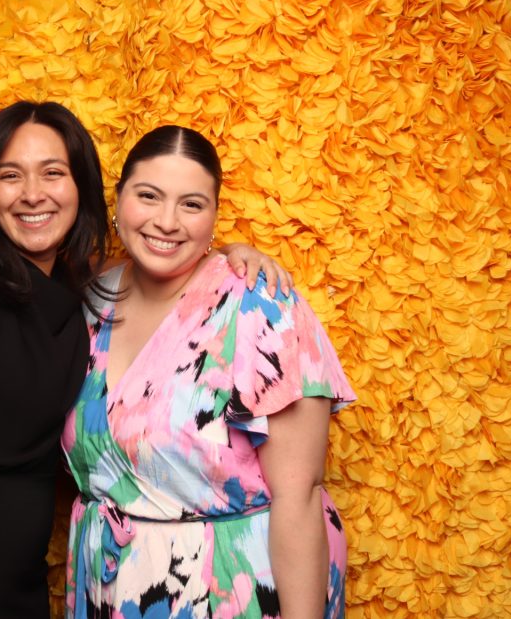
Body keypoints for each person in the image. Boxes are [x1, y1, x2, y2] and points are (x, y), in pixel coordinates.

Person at [0, 102, 292, 619]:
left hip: (17, 581)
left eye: (52, 173)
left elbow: (166, 255)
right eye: (11, 175)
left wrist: (232, 253)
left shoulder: (83, 288)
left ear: (81, 187)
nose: (33, 193)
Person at [62, 125, 357, 619]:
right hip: (109, 584)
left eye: (192, 205)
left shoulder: (262, 306)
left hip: (229, 590)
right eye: (148, 196)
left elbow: (299, 499)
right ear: (118, 201)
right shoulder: (91, 298)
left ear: (215, 216)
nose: (167, 221)